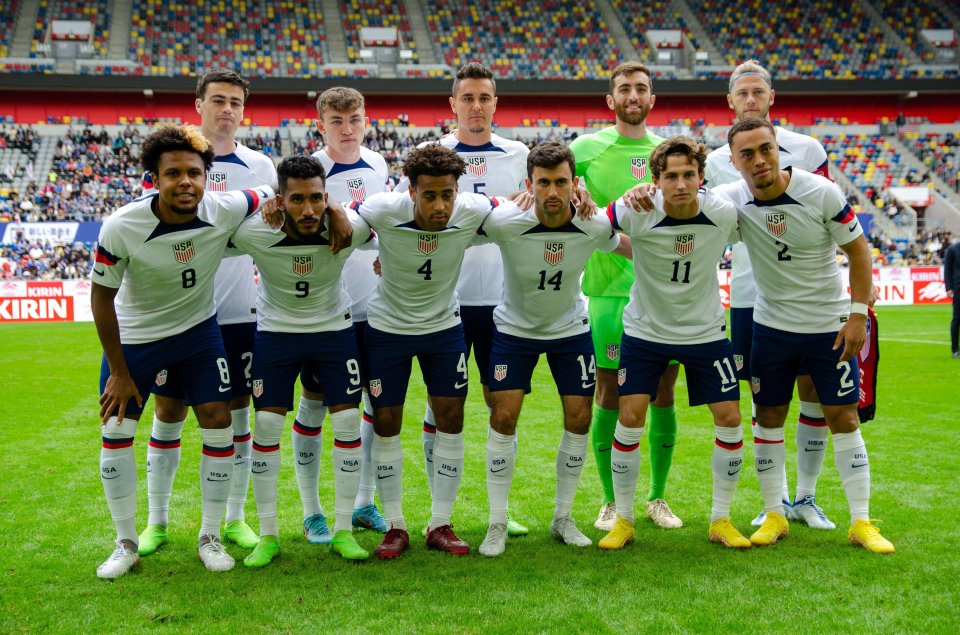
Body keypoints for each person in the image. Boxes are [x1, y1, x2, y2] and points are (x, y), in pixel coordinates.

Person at [92, 125, 275, 578]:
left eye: (194, 172)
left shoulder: (223, 207)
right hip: (137, 339)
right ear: (154, 178)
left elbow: (269, 190)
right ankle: (126, 543)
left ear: (207, 176)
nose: (185, 182)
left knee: (219, 419)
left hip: (198, 334)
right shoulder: (123, 225)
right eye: (173, 173)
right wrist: (118, 371)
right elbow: (100, 298)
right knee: (116, 428)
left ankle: (210, 536)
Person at [719, 118, 893, 554]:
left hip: (827, 328)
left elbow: (858, 250)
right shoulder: (731, 199)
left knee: (844, 418)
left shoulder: (821, 192)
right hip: (771, 328)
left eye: (766, 149)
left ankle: (861, 521)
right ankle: (775, 512)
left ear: (779, 148)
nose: (759, 160)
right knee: (769, 418)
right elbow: (681, 202)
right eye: (747, 154)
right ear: (734, 162)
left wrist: (857, 315)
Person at [139, 70, 277, 557]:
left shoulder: (261, 166)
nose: (227, 110)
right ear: (198, 103)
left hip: (239, 310)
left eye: (236, 102)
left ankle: (233, 518)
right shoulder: (173, 160)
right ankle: (156, 521)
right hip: (175, 315)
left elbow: (268, 230)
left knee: (236, 413)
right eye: (218, 100)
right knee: (169, 409)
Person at [395, 63, 532, 538]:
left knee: (502, 404)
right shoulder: (430, 155)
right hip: (445, 301)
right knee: (441, 405)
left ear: (496, 103)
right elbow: (402, 220)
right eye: (467, 98)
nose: (476, 106)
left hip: (501, 300)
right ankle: (441, 511)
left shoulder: (518, 154)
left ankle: (501, 509)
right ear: (452, 104)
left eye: (485, 98)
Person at [474, 142, 628, 557]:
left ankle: (562, 517)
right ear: (530, 184)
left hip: (568, 330)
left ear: (575, 183)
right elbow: (454, 235)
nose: (553, 192)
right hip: (514, 330)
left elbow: (627, 246)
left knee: (579, 418)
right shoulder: (507, 221)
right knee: (503, 416)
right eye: (544, 183)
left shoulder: (592, 224)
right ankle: (497, 521)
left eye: (561, 182)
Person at [703, 59, 838, 530]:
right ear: (730, 102)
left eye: (758, 92)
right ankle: (775, 500)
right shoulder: (714, 158)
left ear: (771, 96)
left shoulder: (807, 149)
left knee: (814, 392)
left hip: (810, 299)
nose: (751, 99)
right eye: (742, 94)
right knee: (765, 400)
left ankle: (807, 496)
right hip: (749, 295)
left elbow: (835, 218)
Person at [598, 136, 749, 551]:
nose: (680, 184)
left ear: (701, 177)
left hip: (704, 332)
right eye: (670, 176)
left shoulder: (721, 211)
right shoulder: (638, 208)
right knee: (629, 417)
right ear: (656, 181)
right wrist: (620, 235)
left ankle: (721, 519)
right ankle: (624, 520)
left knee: (730, 417)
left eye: (688, 175)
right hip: (645, 332)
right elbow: (595, 226)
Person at [349, 144, 497, 558]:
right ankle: (395, 526)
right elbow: (346, 218)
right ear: (410, 190)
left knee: (451, 419)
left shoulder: (472, 209)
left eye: (447, 194)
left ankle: (440, 523)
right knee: (386, 422)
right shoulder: (382, 209)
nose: (440, 204)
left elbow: (514, 207)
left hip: (444, 329)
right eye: (429, 195)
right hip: (387, 330)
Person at [230, 155, 372, 567]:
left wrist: (341, 211)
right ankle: (269, 535)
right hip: (276, 335)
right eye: (296, 200)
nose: (308, 210)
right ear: (280, 199)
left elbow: (391, 219)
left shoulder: (348, 228)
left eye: (316, 199)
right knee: (267, 426)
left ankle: (343, 530)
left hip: (334, 333)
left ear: (327, 197)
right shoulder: (255, 232)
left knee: (347, 423)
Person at [568, 62, 677, 531]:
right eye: (624, 89)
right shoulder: (586, 149)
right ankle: (611, 501)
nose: (633, 95)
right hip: (608, 293)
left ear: (652, 99)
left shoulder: (669, 153)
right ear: (610, 100)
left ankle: (656, 497)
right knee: (608, 393)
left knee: (663, 394)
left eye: (642, 89)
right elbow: (561, 197)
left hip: (662, 295)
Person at [288, 86, 390, 543]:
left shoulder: (378, 165)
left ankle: (364, 501)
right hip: (323, 309)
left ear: (366, 120)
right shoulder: (310, 171)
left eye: (355, 120)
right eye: (337, 122)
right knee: (313, 405)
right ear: (321, 124)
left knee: (371, 404)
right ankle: (312, 511)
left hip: (372, 306)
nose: (347, 130)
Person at [945, 237, 960, 358]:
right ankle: (955, 349)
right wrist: (949, 287)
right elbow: (947, 269)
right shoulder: (953, 249)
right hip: (958, 288)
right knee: (957, 319)